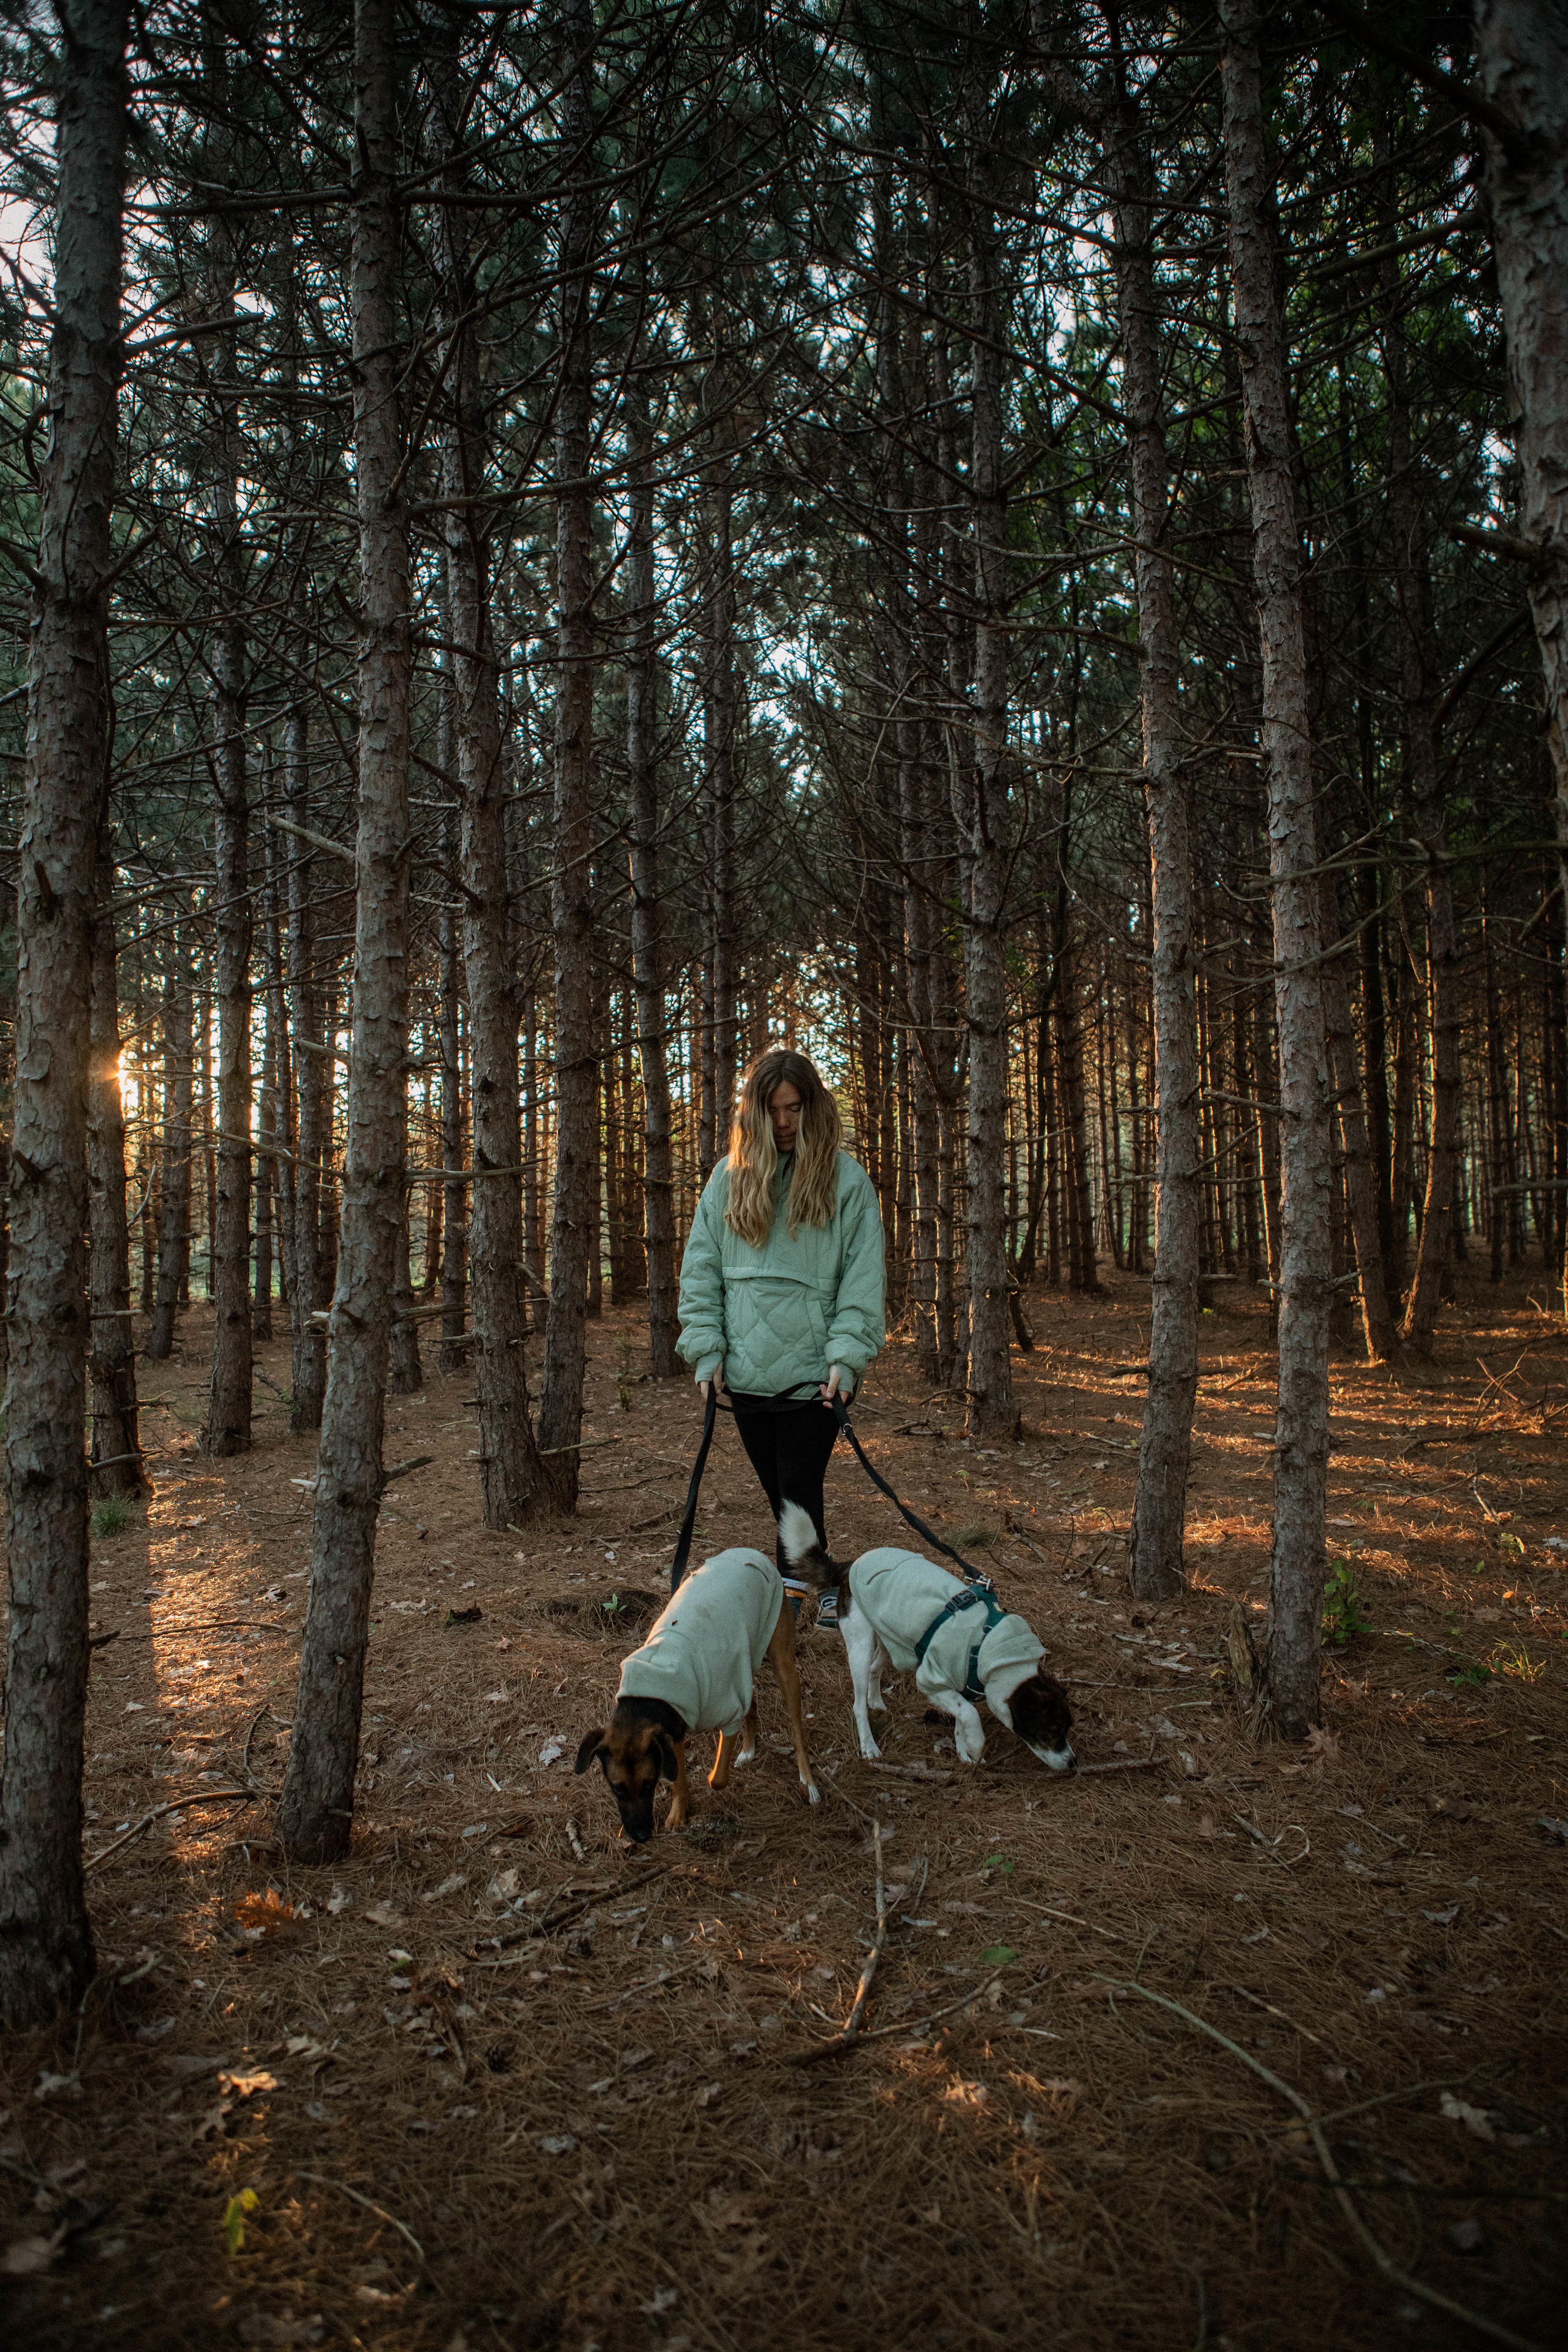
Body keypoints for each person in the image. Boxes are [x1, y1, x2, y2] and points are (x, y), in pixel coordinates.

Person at [677, 1048, 885, 1621]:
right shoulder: (728, 1178)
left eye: (795, 1108)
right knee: (783, 1500)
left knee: (797, 1489)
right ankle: (824, 1583)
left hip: (814, 1378)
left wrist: (848, 1356)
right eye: (772, 1110)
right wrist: (706, 1350)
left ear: (813, 1107)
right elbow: (702, 1271)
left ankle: (791, 1611)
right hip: (745, 1375)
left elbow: (862, 1281)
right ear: (754, 1114)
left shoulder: (846, 1181)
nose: (785, 1122)